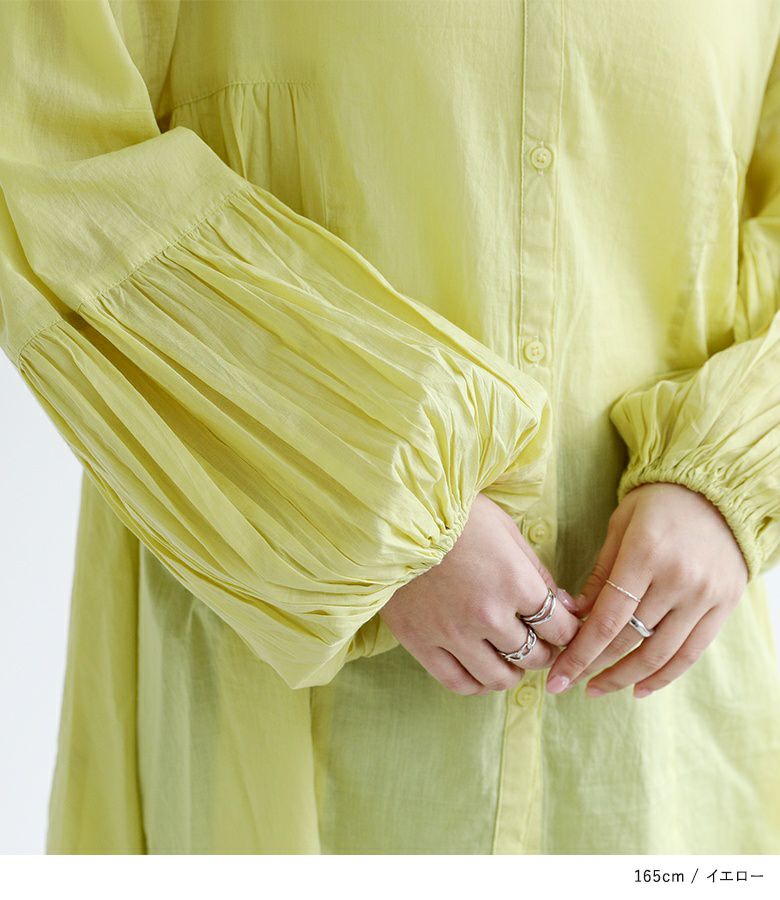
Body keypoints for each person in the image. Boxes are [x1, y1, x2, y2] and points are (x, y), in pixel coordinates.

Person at [1, 0, 779, 854]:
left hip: (667, 738)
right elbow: (50, 154)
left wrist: (732, 471)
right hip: (288, 694)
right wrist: (372, 489)